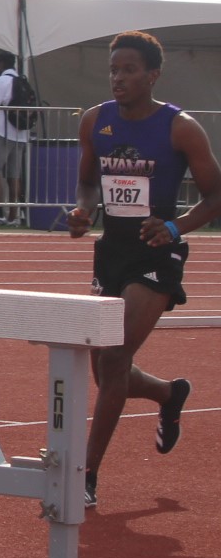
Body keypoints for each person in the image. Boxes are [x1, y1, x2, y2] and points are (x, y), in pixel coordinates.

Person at [68, 31, 219, 508]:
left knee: (113, 359)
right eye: (114, 69)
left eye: (129, 70)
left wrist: (175, 229)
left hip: (157, 254)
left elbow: (216, 194)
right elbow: (89, 183)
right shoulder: (95, 121)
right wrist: (82, 211)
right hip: (112, 252)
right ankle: (168, 393)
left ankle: (85, 475)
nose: (119, 78)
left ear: (153, 74)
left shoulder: (181, 128)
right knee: (104, 368)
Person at [0, 51, 31, 227]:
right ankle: (13, 216)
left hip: (2, 132)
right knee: (14, 176)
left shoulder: (1, 81)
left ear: (1, 64)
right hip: (20, 135)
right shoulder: (23, 81)